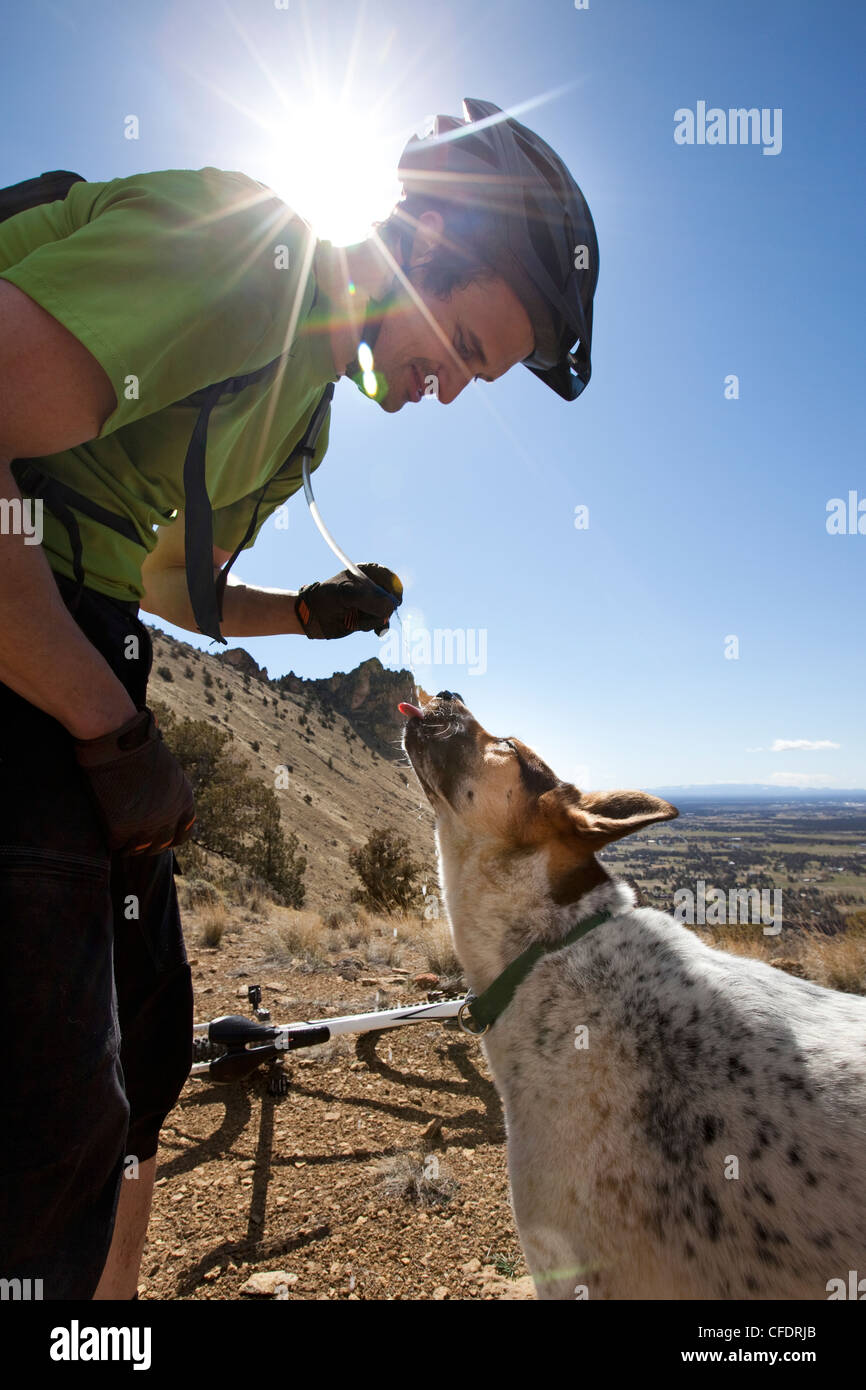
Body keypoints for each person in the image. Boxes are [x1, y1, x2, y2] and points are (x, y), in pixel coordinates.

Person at [0, 98, 597, 1299]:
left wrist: (312, 613)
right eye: (470, 348)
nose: (451, 391)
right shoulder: (246, 254)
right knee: (46, 1119)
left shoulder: (302, 418)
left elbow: (172, 576)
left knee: (146, 1057)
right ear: (426, 236)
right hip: (35, 646)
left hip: (82, 633)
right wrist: (106, 729)